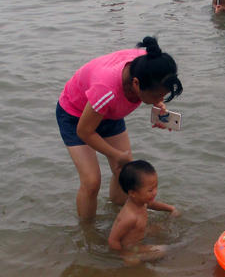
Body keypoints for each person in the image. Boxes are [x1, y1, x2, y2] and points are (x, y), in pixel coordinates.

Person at [57, 36, 183, 219]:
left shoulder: (150, 63)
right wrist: (116, 154)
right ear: (136, 84)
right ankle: (88, 236)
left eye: (162, 95)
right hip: (75, 116)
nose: (159, 98)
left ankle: (117, 210)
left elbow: (158, 82)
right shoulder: (107, 89)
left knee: (123, 171)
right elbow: (84, 131)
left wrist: (158, 106)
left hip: (109, 112)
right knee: (92, 182)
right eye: (157, 95)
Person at [108, 159, 179, 264]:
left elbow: (151, 204)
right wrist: (123, 255)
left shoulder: (141, 201)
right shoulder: (129, 217)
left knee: (162, 227)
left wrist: (170, 208)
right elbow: (112, 240)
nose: (155, 192)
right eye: (150, 190)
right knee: (163, 250)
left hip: (141, 235)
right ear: (133, 193)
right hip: (131, 248)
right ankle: (138, 260)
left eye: (156, 187)